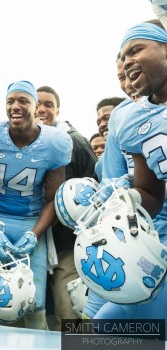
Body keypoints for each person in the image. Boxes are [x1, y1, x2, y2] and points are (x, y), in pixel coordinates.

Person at [0, 81, 73, 330]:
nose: (15, 106)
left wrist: (34, 234)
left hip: (31, 222)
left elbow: (53, 198)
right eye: (10, 101)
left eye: (23, 101)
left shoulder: (54, 142)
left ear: (35, 105)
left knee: (35, 301)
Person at [87, 21, 167, 323]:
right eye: (123, 57)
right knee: (95, 333)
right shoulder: (131, 118)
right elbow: (150, 193)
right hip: (157, 240)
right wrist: (126, 196)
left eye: (135, 50)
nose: (127, 61)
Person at [35, 85, 96, 331]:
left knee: (67, 311)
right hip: (30, 240)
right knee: (26, 310)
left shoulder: (76, 142)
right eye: (37, 103)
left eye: (49, 104)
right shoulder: (14, 141)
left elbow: (95, 188)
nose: (42, 109)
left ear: (58, 110)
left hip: (66, 245)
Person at [94, 97, 125, 180]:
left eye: (107, 118)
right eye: (98, 122)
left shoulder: (140, 146)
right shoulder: (100, 163)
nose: (101, 125)